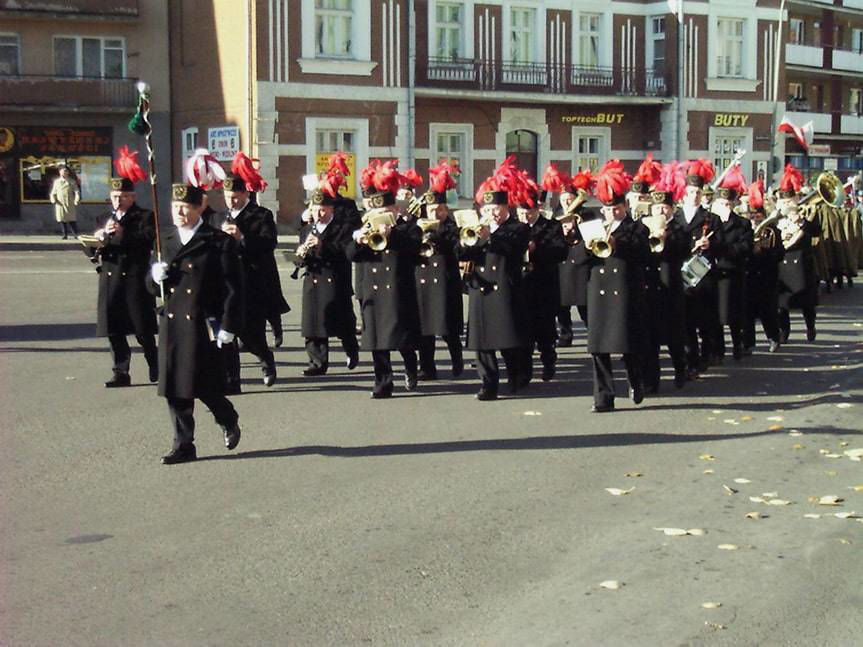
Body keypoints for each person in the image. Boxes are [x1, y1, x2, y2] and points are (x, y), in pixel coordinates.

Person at [148, 182, 243, 465]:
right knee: (176, 387)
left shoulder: (217, 241)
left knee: (203, 386)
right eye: (175, 207)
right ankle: (184, 444)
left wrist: (228, 325)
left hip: (202, 322)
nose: (179, 212)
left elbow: (233, 288)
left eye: (186, 207)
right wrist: (154, 277)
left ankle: (227, 417)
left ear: (199, 207)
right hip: (173, 323)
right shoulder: (163, 240)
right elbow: (152, 289)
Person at [346, 160, 421, 398]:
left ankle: (411, 366)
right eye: (377, 213)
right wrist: (358, 240)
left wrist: (393, 234)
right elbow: (351, 256)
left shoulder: (408, 228)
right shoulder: (366, 228)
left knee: (401, 340)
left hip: (398, 291)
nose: (381, 217)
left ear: (395, 210)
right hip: (374, 292)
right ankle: (383, 382)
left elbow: (414, 247)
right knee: (378, 342)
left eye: (386, 213)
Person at [459, 157, 530, 401]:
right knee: (482, 343)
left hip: (505, 289)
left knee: (508, 339)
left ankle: (516, 375)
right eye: (487, 210)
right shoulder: (478, 229)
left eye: (495, 209)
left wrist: (490, 237)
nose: (491, 214)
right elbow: (462, 253)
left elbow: (512, 249)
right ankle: (488, 384)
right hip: (481, 289)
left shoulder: (518, 228)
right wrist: (470, 240)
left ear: (505, 208)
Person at [217, 154, 286, 390]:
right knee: (227, 335)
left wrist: (242, 238)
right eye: (227, 198)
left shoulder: (262, 215)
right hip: (226, 283)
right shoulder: (220, 217)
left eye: (235, 198)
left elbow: (269, 244)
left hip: (252, 282)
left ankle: (266, 360)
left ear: (246, 194)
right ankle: (231, 379)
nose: (231, 202)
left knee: (251, 334)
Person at [584, 160, 649, 413]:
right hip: (599, 293)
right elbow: (581, 259)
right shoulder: (593, 228)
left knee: (628, 346)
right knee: (599, 349)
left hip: (625, 293)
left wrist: (617, 243)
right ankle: (603, 397)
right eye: (608, 210)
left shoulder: (637, 229)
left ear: (624, 207)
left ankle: (635, 380)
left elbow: (643, 254)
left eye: (617, 209)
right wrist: (583, 244)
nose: (613, 214)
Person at [93, 149, 158, 387]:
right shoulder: (103, 218)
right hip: (110, 279)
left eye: (122, 196)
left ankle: (155, 363)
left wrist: (123, 234)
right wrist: (97, 241)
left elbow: (148, 239)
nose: (117, 201)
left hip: (133, 277)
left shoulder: (144, 216)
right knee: (114, 329)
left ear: (131, 197)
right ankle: (121, 371)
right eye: (114, 196)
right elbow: (95, 252)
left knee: (142, 330)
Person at [293, 159, 359, 375]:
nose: (319, 213)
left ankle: (351, 348)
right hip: (313, 279)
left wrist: (323, 245)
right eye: (315, 209)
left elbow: (345, 251)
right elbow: (299, 256)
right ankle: (317, 363)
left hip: (335, 278)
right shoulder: (307, 229)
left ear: (331, 209)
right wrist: (301, 255)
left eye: (323, 210)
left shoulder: (342, 225)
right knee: (312, 322)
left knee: (343, 321)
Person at [641, 163, 690, 392]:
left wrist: (665, 236)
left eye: (665, 208)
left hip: (671, 288)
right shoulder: (643, 227)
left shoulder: (680, 228)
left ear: (672, 209)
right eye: (657, 207)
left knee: (674, 337)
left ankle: (681, 370)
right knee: (650, 340)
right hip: (650, 289)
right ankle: (652, 380)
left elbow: (683, 251)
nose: (661, 211)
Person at [414, 162, 464, 380]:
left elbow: (457, 247)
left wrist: (438, 235)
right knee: (424, 329)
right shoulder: (417, 226)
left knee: (448, 329)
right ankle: (426, 367)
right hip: (422, 281)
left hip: (445, 282)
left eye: (440, 209)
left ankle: (457, 360)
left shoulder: (452, 227)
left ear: (446, 210)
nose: (436, 212)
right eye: (432, 209)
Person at [516, 173, 567, 383]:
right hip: (521, 287)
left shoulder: (551, 226)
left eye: (529, 211)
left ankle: (548, 361)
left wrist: (538, 249)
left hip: (544, 286)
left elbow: (561, 252)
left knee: (545, 330)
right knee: (523, 332)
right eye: (521, 211)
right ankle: (524, 372)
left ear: (537, 208)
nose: (525, 215)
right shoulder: (514, 227)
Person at [674, 159, 722, 376]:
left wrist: (711, 244)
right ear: (685, 192)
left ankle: (705, 355)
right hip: (682, 275)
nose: (694, 195)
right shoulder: (675, 218)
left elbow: (722, 247)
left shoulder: (711, 219)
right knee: (685, 323)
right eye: (691, 191)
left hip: (703, 277)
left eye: (698, 192)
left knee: (705, 321)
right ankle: (690, 361)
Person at [710, 166, 753, 361]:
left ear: (734, 203)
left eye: (728, 203)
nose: (724, 206)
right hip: (715, 273)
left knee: (734, 314)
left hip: (733, 273)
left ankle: (738, 344)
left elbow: (745, 247)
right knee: (715, 316)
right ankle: (718, 349)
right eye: (721, 203)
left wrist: (723, 249)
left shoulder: (742, 224)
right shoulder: (710, 222)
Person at [776, 164, 819, 342]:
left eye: (789, 201)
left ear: (795, 199)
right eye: (784, 202)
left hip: (801, 261)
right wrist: (781, 235)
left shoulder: (808, 212)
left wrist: (800, 221)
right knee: (781, 303)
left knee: (806, 302)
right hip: (782, 260)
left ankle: (810, 326)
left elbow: (816, 232)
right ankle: (784, 331)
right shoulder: (777, 214)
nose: (787, 205)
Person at [742, 178, 783, 354]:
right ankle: (748, 343)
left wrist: (764, 252)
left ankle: (773, 337)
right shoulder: (744, 230)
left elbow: (780, 253)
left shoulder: (772, 231)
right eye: (752, 215)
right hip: (748, 276)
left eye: (758, 215)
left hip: (767, 277)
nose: (755, 218)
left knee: (768, 312)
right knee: (747, 312)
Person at [555, 170, 595, 343]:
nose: (567, 202)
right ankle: (565, 333)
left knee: (584, 304)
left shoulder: (587, 215)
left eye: (570, 199)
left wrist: (577, 227)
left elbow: (592, 236)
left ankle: (593, 333)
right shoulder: (555, 216)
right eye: (564, 199)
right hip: (563, 263)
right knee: (562, 305)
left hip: (580, 262)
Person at [49, 165, 80, 239]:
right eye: (63, 171)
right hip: (60, 203)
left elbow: (77, 191)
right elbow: (53, 193)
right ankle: (64, 234)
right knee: (62, 219)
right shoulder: (57, 182)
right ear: (60, 172)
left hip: (69, 202)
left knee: (71, 219)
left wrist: (76, 200)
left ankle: (75, 234)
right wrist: (53, 200)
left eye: (66, 171)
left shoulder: (72, 181)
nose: (65, 172)